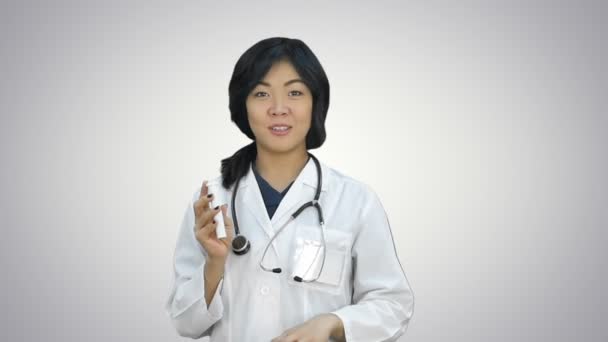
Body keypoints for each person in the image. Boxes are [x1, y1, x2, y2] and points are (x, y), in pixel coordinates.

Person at [165, 37, 415, 341]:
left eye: (295, 92)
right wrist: (215, 264)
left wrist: (334, 322)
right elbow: (186, 323)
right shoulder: (212, 201)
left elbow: (392, 305)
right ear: (243, 106)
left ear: (315, 103)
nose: (279, 108)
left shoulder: (355, 201)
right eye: (261, 93)